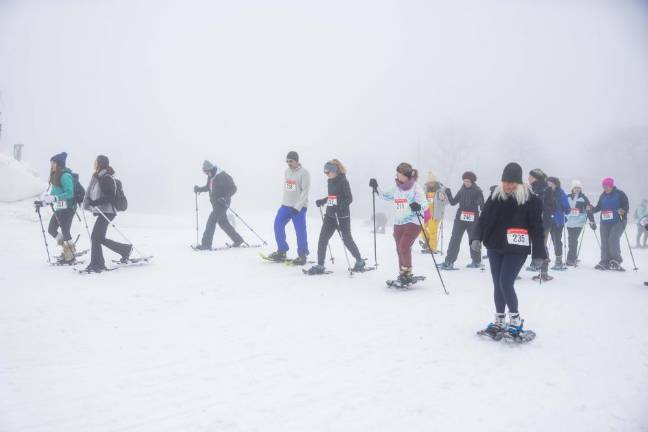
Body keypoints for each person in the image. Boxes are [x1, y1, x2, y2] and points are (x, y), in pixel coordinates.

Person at [471, 162, 546, 339]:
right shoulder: (495, 196)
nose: (509, 186)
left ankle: (515, 320)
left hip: (516, 249)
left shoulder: (531, 199)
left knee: (506, 283)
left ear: (519, 182)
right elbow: (483, 219)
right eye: (506, 182)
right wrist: (476, 237)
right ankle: (499, 320)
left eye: (513, 182)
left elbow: (537, 228)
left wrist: (539, 254)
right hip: (495, 246)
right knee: (497, 284)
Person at [370, 162, 427, 285]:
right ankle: (403, 273)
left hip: (413, 221)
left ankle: (407, 273)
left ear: (405, 175)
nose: (396, 175)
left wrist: (418, 206)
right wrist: (376, 187)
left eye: (398, 173)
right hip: (398, 222)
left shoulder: (416, 188)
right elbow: (385, 196)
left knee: (404, 247)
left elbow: (425, 204)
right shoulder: (396, 187)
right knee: (399, 248)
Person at [306, 159, 365, 274]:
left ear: (334, 170)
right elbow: (332, 196)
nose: (326, 175)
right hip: (330, 215)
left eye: (328, 172)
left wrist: (340, 207)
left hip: (342, 216)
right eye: (325, 173)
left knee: (347, 239)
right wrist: (323, 200)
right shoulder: (330, 181)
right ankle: (320, 265)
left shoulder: (343, 181)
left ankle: (359, 261)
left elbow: (349, 198)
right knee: (323, 238)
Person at [83, 155, 132, 273]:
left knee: (95, 237)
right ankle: (125, 250)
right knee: (98, 238)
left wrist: (95, 202)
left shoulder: (105, 178)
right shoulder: (99, 177)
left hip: (108, 211)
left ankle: (97, 264)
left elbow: (110, 196)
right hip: (104, 211)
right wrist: (90, 202)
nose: (94, 163)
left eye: (96, 161)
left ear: (99, 163)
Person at [267, 151, 310, 265]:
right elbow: (289, 189)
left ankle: (302, 255)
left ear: (296, 161)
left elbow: (305, 191)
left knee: (300, 231)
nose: (288, 163)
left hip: (299, 208)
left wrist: (298, 206)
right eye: (287, 161)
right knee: (277, 225)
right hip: (285, 206)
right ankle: (282, 251)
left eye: (290, 161)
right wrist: (285, 203)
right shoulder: (287, 171)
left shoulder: (304, 173)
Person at [193, 160, 244, 250]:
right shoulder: (211, 176)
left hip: (223, 203)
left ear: (211, 169)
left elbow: (234, 188)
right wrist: (199, 189)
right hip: (216, 203)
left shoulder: (223, 176)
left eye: (206, 172)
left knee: (211, 220)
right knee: (223, 223)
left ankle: (206, 244)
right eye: (205, 172)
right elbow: (208, 187)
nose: (206, 174)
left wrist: (225, 197)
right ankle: (238, 240)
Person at [36, 152, 77, 263]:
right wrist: (44, 202)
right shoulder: (56, 177)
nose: (51, 165)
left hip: (68, 208)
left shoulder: (65, 176)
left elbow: (70, 193)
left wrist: (54, 199)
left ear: (58, 164)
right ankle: (67, 249)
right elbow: (53, 195)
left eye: (53, 163)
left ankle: (70, 253)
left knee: (65, 231)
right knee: (51, 229)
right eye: (51, 163)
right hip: (60, 208)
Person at [439, 171, 484, 269]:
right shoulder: (462, 189)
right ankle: (449, 262)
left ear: (472, 181)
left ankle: (476, 261)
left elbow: (482, 207)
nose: (466, 183)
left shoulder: (478, 191)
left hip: (473, 219)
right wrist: (448, 192)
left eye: (468, 181)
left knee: (473, 240)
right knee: (454, 239)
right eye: (464, 181)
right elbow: (453, 202)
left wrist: (480, 203)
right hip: (460, 218)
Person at [590, 177, 629, 271]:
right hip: (605, 222)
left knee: (612, 239)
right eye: (603, 187)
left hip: (618, 221)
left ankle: (616, 260)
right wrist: (592, 209)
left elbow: (626, 206)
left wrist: (623, 211)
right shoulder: (602, 195)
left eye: (607, 186)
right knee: (604, 241)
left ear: (611, 186)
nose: (605, 188)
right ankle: (605, 261)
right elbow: (598, 207)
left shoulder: (620, 194)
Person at [527, 168, 555, 281]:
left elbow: (552, 206)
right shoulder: (531, 189)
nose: (528, 178)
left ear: (536, 178)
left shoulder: (546, 189)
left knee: (541, 245)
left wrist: (542, 211)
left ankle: (544, 272)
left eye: (530, 176)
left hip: (543, 222)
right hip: (532, 222)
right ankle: (538, 268)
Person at [564, 180, 596, 266]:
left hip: (579, 222)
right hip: (569, 222)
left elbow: (589, 210)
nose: (577, 189)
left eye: (578, 188)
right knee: (572, 240)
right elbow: (564, 207)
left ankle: (570, 259)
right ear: (572, 189)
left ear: (581, 189)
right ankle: (573, 256)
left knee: (572, 240)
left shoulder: (584, 198)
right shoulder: (567, 197)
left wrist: (592, 221)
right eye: (575, 188)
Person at [420, 172, 447, 254]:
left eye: (433, 182)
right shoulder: (424, 189)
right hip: (426, 213)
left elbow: (446, 202)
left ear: (435, 182)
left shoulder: (440, 190)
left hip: (435, 214)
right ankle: (428, 242)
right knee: (421, 229)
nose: (431, 184)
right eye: (430, 182)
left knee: (433, 231)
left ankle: (432, 248)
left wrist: (443, 199)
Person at [546, 177, 570, 269]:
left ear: (556, 184)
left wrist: (566, 209)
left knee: (556, 240)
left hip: (558, 220)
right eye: (548, 183)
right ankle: (545, 258)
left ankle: (559, 261)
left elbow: (567, 207)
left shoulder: (561, 193)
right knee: (548, 239)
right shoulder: (546, 192)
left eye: (551, 183)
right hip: (548, 219)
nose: (549, 185)